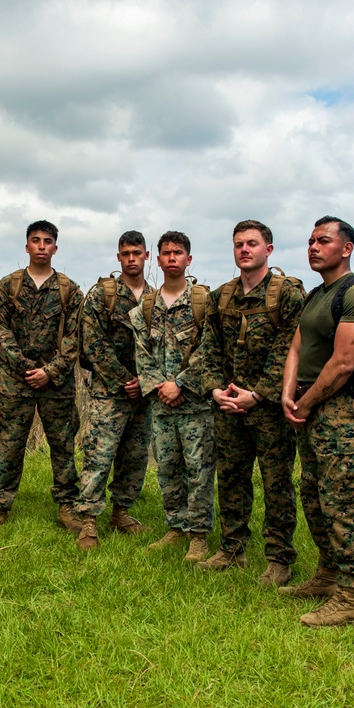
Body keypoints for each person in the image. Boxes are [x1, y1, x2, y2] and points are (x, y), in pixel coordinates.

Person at [281, 215, 354, 627]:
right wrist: (289, 394)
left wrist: (304, 403)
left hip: (345, 413)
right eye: (310, 241)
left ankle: (349, 596)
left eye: (323, 240)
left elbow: (343, 364)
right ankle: (326, 574)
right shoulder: (316, 296)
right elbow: (297, 347)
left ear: (347, 248)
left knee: (343, 501)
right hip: (310, 406)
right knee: (313, 494)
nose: (313, 247)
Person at [198, 220, 303, 585]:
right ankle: (232, 549)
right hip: (227, 406)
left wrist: (257, 394)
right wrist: (214, 388)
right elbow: (208, 346)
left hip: (270, 411)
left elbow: (289, 350)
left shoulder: (287, 295)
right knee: (230, 478)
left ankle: (279, 558)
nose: (245, 249)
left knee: (276, 484)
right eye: (239, 244)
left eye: (253, 244)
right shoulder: (221, 296)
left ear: (268, 250)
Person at [0, 220, 84, 534]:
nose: (41, 246)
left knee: (63, 446)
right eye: (35, 240)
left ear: (55, 247)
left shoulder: (69, 290)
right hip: (15, 381)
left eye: (47, 241)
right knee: (8, 446)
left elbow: (75, 337)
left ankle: (67, 508)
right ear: (27, 247)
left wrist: (49, 372)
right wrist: (26, 368)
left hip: (56, 385)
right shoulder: (8, 285)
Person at [130, 231, 214, 563]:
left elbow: (209, 349)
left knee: (199, 469)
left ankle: (198, 536)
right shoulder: (145, 307)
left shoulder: (203, 302)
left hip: (195, 405)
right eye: (166, 253)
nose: (172, 258)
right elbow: (141, 353)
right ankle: (176, 526)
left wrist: (180, 383)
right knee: (167, 467)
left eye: (178, 252)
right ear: (158, 259)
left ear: (188, 259)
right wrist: (159, 386)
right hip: (161, 405)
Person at [73, 231, 155, 550]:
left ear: (147, 256)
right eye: (126, 253)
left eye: (137, 252)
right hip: (110, 391)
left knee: (134, 457)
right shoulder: (102, 294)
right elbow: (93, 343)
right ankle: (89, 521)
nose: (132, 258)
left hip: (144, 394)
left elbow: (162, 346)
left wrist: (145, 381)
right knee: (99, 453)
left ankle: (121, 513)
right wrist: (124, 380)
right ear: (118, 257)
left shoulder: (156, 298)